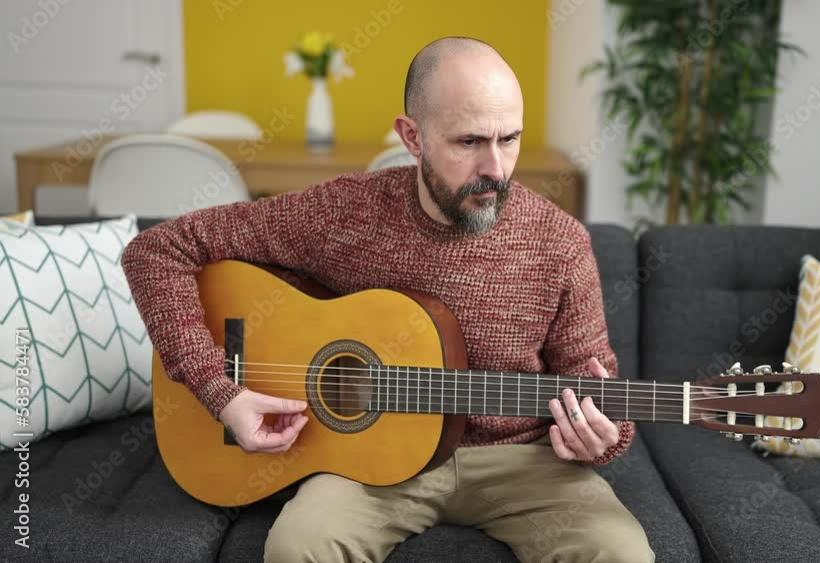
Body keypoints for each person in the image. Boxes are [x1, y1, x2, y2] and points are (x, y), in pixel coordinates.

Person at [121, 36, 654, 563]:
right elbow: (156, 251)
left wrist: (603, 438)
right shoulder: (342, 213)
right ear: (413, 137)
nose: (495, 167)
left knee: (622, 553)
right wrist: (221, 392)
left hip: (522, 463)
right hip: (368, 464)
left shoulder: (559, 241)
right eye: (469, 142)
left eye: (509, 139)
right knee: (295, 548)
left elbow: (595, 381)